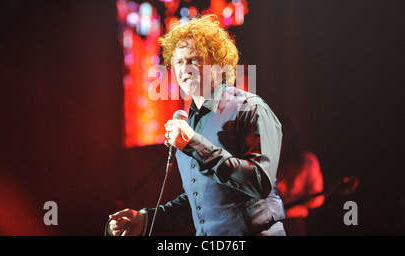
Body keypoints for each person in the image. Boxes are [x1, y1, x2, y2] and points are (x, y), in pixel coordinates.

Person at [108, 15, 286, 236]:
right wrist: (145, 219)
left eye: (194, 60)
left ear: (220, 65)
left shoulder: (249, 108)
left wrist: (195, 144)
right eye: (179, 63)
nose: (185, 69)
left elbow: (260, 181)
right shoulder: (191, 123)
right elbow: (201, 202)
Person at [276, 118, 324, 235]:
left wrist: (306, 200)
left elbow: (317, 198)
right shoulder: (267, 162)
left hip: (295, 223)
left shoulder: (308, 161)